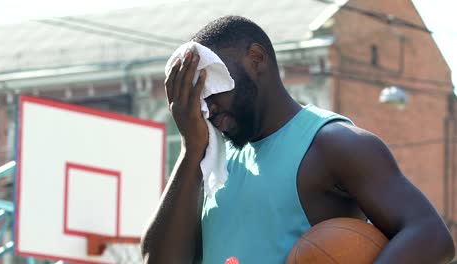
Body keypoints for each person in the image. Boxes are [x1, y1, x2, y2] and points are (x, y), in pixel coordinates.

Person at [141, 16, 455, 264]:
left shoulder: (333, 144)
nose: (207, 106)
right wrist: (191, 150)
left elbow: (430, 236)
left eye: (211, 89)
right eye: (196, 98)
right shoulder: (212, 163)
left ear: (256, 58)